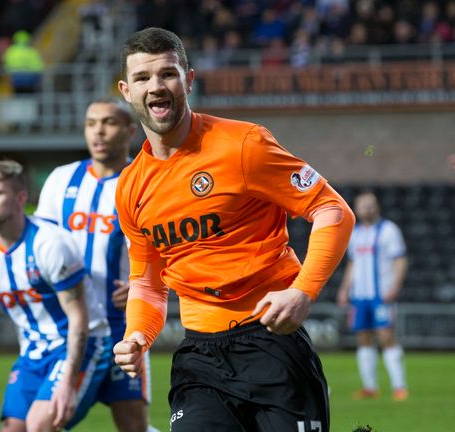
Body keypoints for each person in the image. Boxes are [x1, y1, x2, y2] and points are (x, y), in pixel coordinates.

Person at [111, 27, 355, 432]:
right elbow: (148, 282)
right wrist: (137, 335)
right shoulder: (130, 186)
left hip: (272, 345)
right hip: (198, 359)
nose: (156, 87)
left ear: (188, 79)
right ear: (126, 90)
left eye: (167, 74)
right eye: (142, 78)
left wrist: (303, 291)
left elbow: (333, 210)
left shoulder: (244, 144)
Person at [35, 98, 157, 432]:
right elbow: (40, 245)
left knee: (133, 423)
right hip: (72, 328)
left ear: (130, 131)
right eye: (91, 123)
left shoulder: (145, 181)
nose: (98, 131)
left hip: (122, 325)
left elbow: (167, 248)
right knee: (46, 420)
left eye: (108, 122)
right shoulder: (61, 179)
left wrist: (143, 283)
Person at [0, 160, 112, 432]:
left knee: (39, 425)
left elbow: (78, 318)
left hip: (85, 344)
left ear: (21, 198)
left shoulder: (50, 245)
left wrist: (68, 383)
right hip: (33, 352)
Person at [336, 191, 409, 401]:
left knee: (387, 337)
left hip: (382, 295)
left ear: (377, 207)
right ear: (356, 209)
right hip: (360, 295)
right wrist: (344, 289)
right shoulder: (354, 233)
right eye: (362, 205)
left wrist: (395, 286)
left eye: (370, 204)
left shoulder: (389, 230)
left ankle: (399, 386)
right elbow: (352, 263)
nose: (366, 208)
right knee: (363, 338)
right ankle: (370, 387)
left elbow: (401, 260)